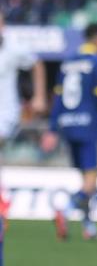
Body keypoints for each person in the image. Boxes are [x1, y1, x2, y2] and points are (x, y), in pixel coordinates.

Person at [44, 23, 97, 241]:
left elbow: (58, 98)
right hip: (90, 125)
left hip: (68, 125)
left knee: (86, 178)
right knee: (92, 178)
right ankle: (66, 210)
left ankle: (88, 226)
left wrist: (52, 128)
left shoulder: (68, 62)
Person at [0, 13, 48, 218]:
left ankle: (2, 200)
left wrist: (39, 96)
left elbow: (36, 64)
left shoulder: (13, 46)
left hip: (5, 113)